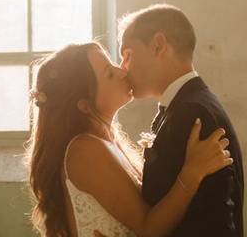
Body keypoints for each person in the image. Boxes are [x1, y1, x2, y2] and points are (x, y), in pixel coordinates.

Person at [26, 41, 233, 237]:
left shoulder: (107, 141)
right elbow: (148, 228)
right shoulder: (85, 149)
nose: (121, 71)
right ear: (85, 106)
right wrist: (192, 172)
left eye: (113, 64)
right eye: (109, 74)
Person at [119, 5, 244, 237]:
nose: (123, 68)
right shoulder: (184, 106)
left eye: (127, 55)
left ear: (158, 45)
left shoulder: (193, 112)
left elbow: (213, 220)